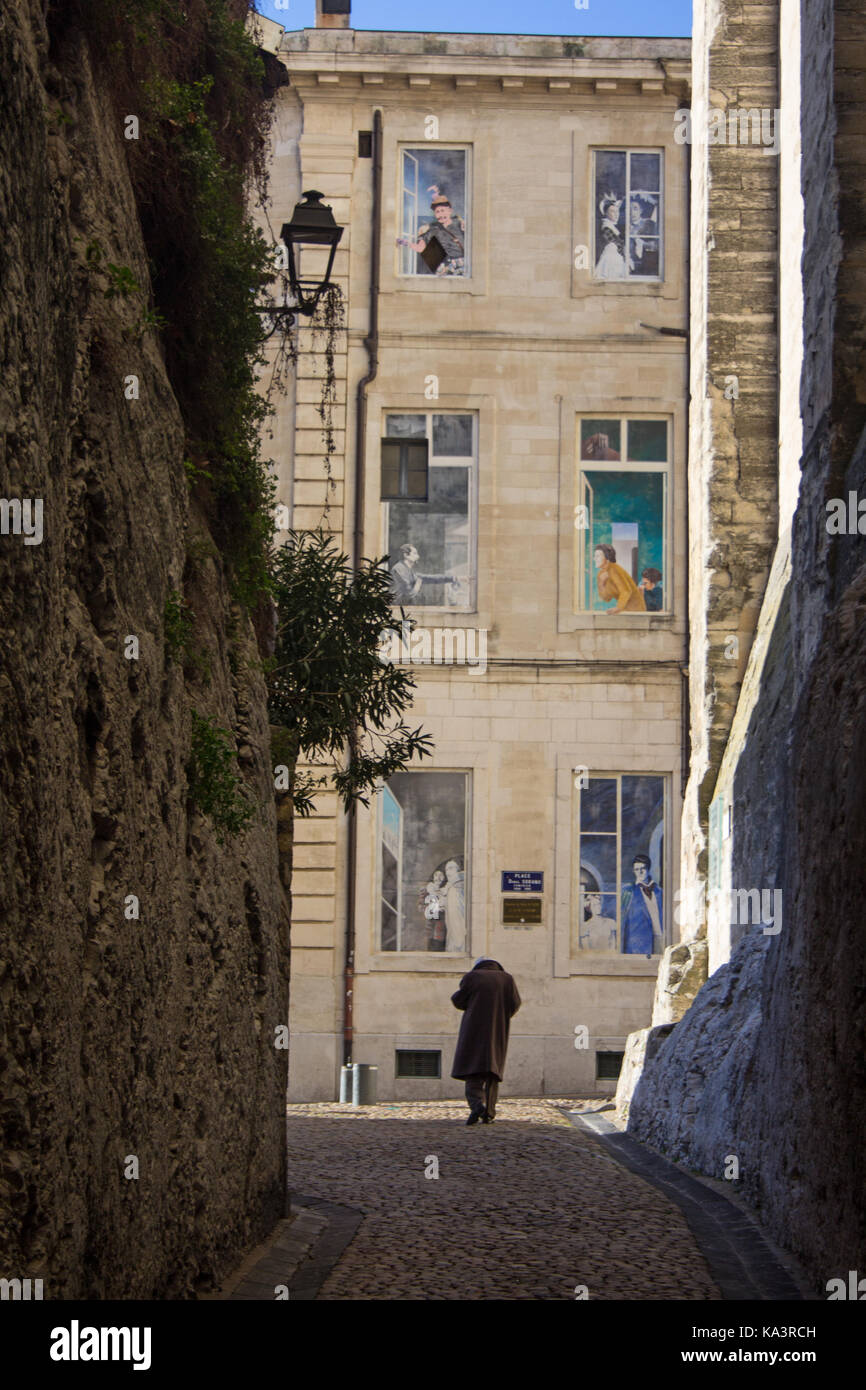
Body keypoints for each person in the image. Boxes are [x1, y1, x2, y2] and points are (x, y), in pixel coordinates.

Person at [451, 958, 521, 1125]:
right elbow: (515, 1003)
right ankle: (489, 1112)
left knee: (472, 1069)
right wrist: (501, 1015)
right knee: (492, 1073)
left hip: (473, 1029)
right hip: (497, 1030)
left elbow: (458, 1000)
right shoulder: (507, 979)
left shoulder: (472, 977)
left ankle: (476, 1105)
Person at [397, 187, 467, 276]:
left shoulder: (460, 222)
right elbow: (420, 248)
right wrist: (406, 243)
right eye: (437, 212)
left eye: (443, 210)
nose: (441, 215)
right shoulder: (431, 229)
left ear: (450, 211)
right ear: (434, 214)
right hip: (447, 269)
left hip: (465, 266)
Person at [621, 854, 663, 955]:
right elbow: (622, 918)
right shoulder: (628, 891)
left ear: (648, 868)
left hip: (660, 938)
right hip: (639, 942)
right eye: (636, 869)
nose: (640, 872)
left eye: (643, 868)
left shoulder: (659, 891)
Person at [389, 543, 455, 605]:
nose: (418, 556)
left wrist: (452, 578)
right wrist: (417, 585)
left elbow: (430, 578)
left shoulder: (409, 571)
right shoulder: (399, 569)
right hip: (396, 608)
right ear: (406, 555)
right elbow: (408, 594)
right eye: (415, 553)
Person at [594, 543, 647, 612]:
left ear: (607, 557)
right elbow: (607, 599)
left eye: (598, 556)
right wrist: (601, 584)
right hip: (624, 610)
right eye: (594, 556)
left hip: (636, 609)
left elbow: (626, 591)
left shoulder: (614, 569)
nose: (594, 559)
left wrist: (618, 608)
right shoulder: (601, 574)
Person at [595, 193, 627, 278]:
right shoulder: (606, 227)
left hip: (617, 260)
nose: (616, 214)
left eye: (617, 211)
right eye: (612, 211)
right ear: (606, 213)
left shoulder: (613, 227)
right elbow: (618, 244)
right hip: (610, 261)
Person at [443, 857, 466, 953]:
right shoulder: (449, 888)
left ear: (458, 870)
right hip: (452, 934)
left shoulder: (461, 885)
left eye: (451, 868)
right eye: (446, 869)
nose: (448, 872)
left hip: (460, 935)